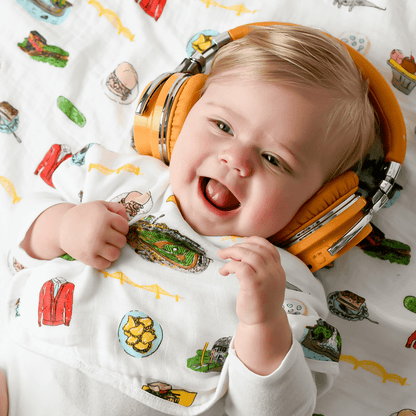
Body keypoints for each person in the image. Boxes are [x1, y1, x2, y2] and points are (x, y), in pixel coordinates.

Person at [1, 24, 375, 415]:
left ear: (316, 204)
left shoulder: (282, 285)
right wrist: (63, 226)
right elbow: (18, 241)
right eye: (223, 127)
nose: (236, 159)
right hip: (20, 382)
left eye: (273, 159)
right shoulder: (118, 179)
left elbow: (280, 411)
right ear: (177, 117)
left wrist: (263, 325)